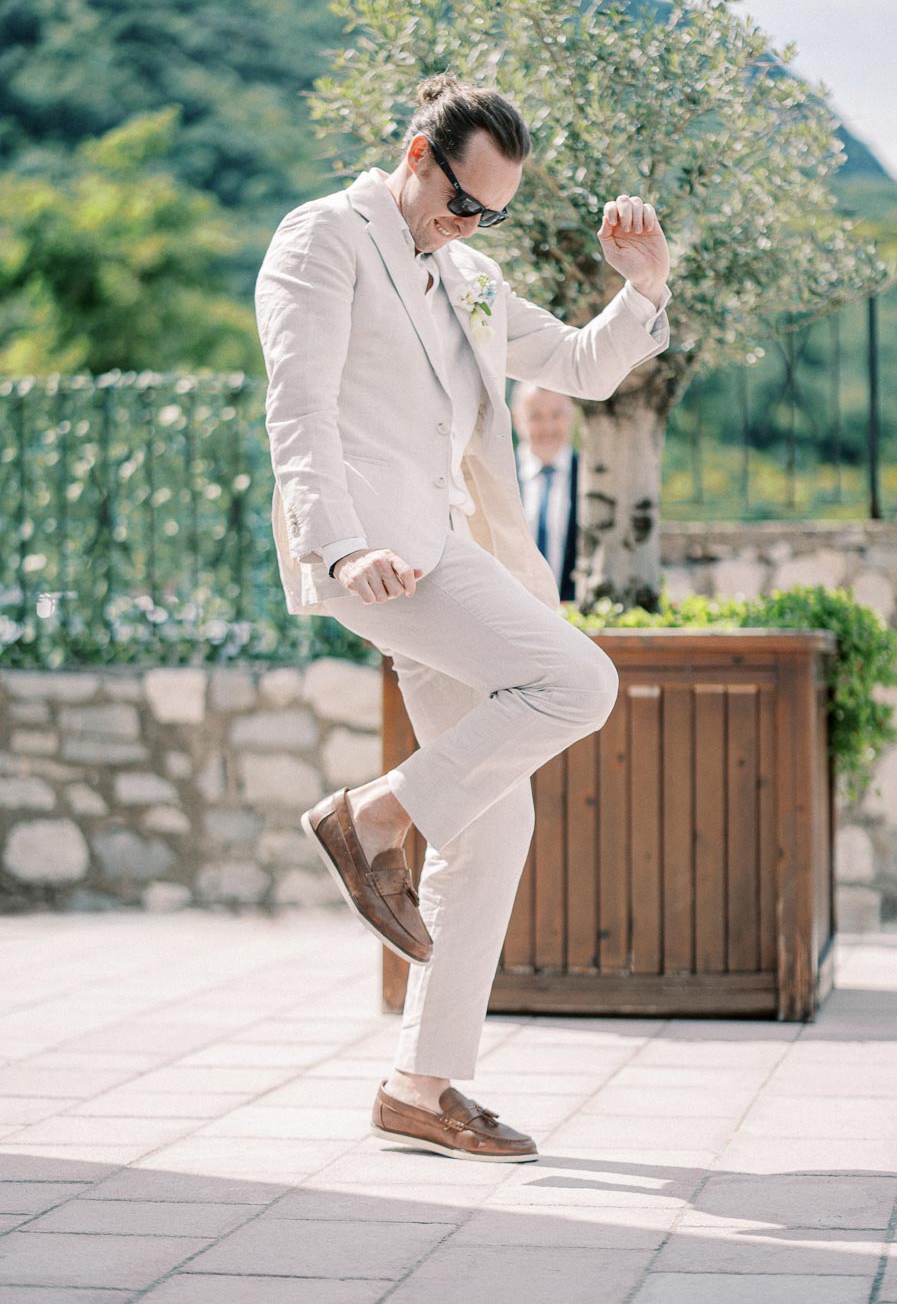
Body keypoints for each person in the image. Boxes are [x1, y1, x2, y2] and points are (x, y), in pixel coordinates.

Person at [255, 72, 671, 1162]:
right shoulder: (323, 240)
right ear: (414, 153)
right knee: (580, 682)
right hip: (379, 550)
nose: (467, 224)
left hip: (446, 548)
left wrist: (644, 286)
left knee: (496, 822)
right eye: (458, 200)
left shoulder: (471, 277)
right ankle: (375, 815)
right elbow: (296, 408)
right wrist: (339, 541)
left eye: (489, 212)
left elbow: (581, 364)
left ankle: (418, 1087)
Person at [512, 383, 580, 601]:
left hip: (575, 621)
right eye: (535, 416)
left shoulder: (592, 479)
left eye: (556, 415)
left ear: (571, 417)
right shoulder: (498, 478)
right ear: (517, 419)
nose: (547, 427)